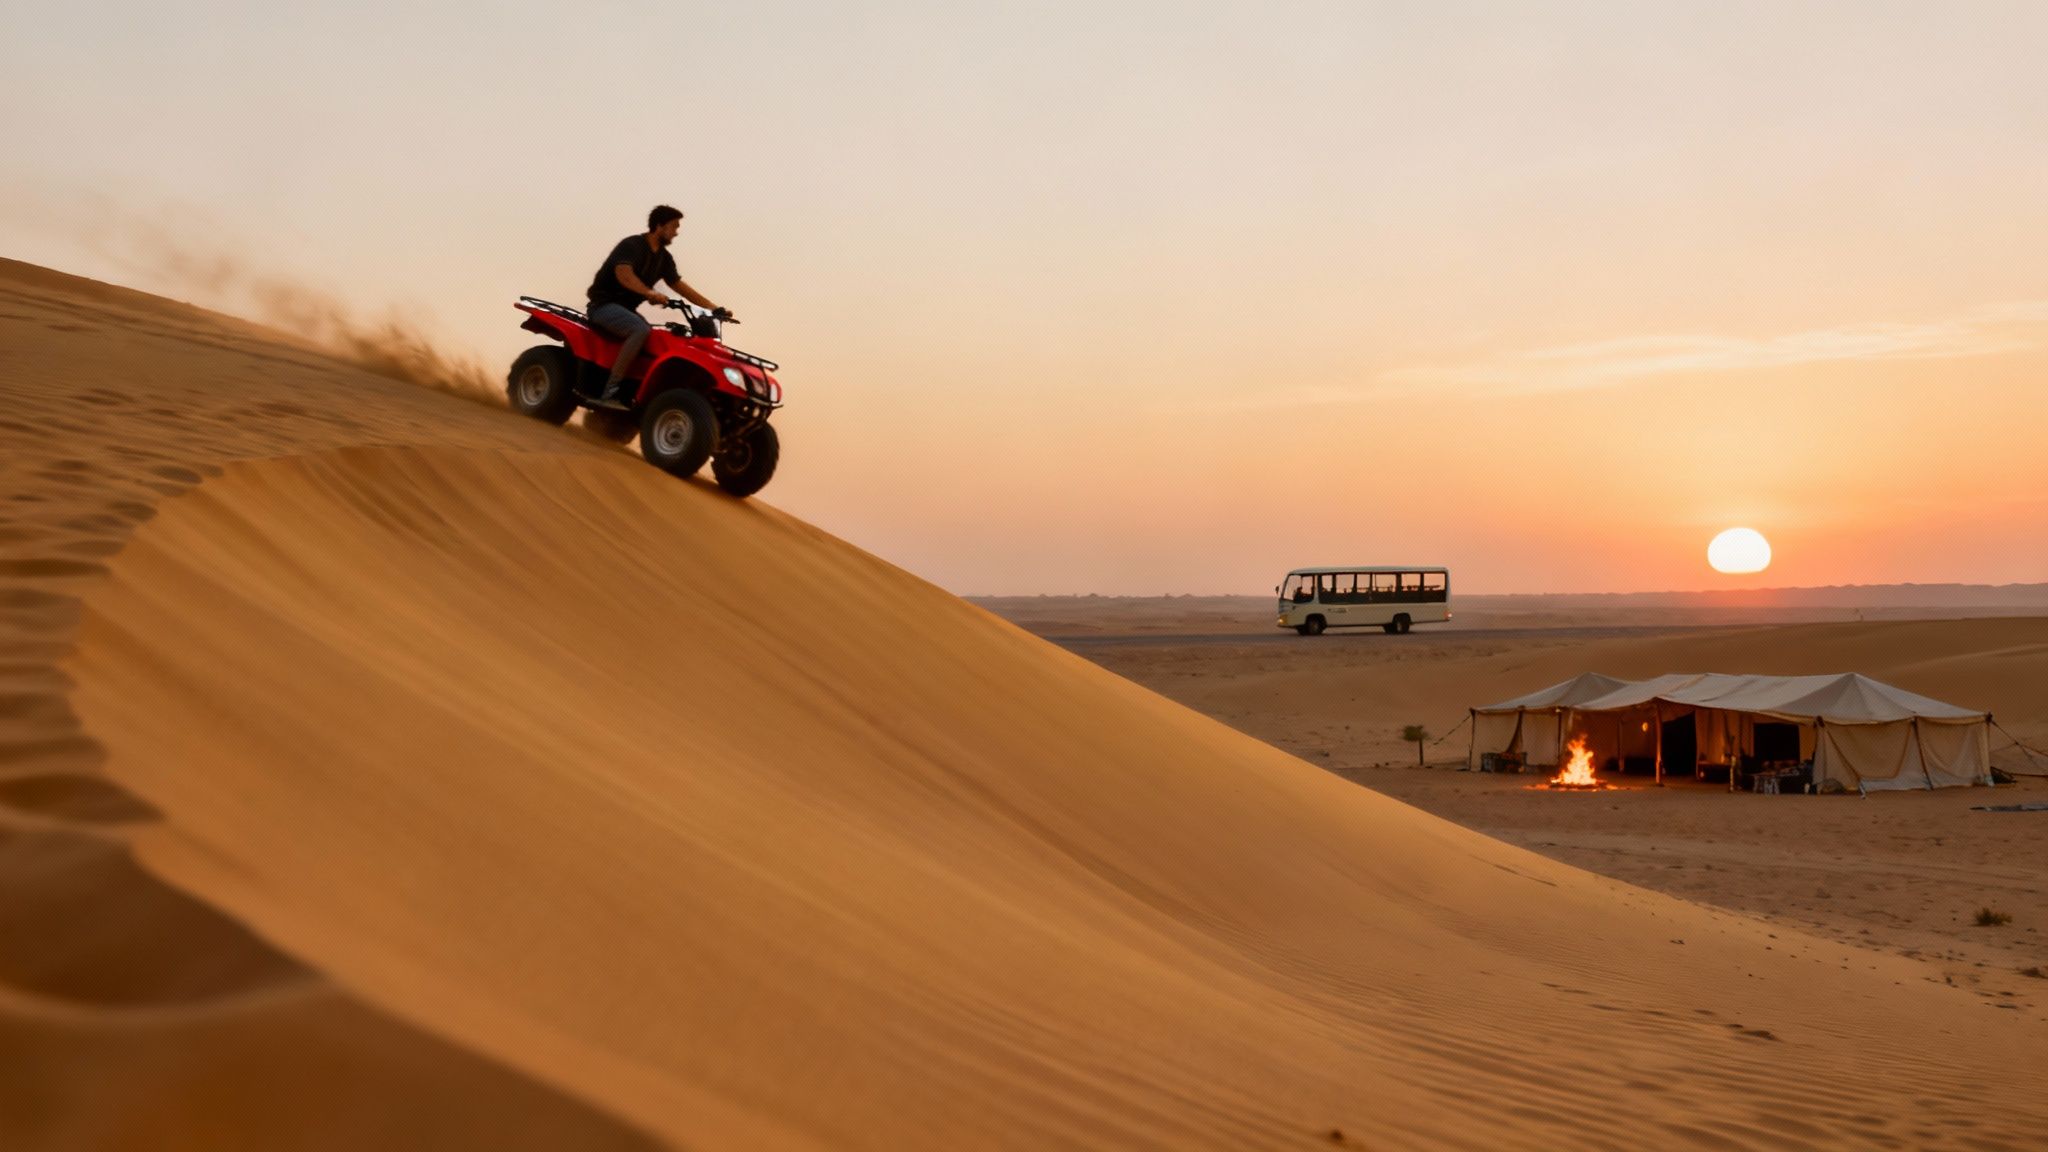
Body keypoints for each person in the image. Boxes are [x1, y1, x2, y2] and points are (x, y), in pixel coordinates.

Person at [585, 205, 730, 405]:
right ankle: (610, 390)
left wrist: (714, 308)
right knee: (639, 330)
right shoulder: (632, 245)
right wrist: (648, 292)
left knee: (656, 337)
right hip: (603, 305)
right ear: (659, 226)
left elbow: (679, 285)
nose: (676, 233)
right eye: (674, 227)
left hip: (626, 310)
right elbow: (624, 274)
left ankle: (634, 389)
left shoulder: (664, 258)